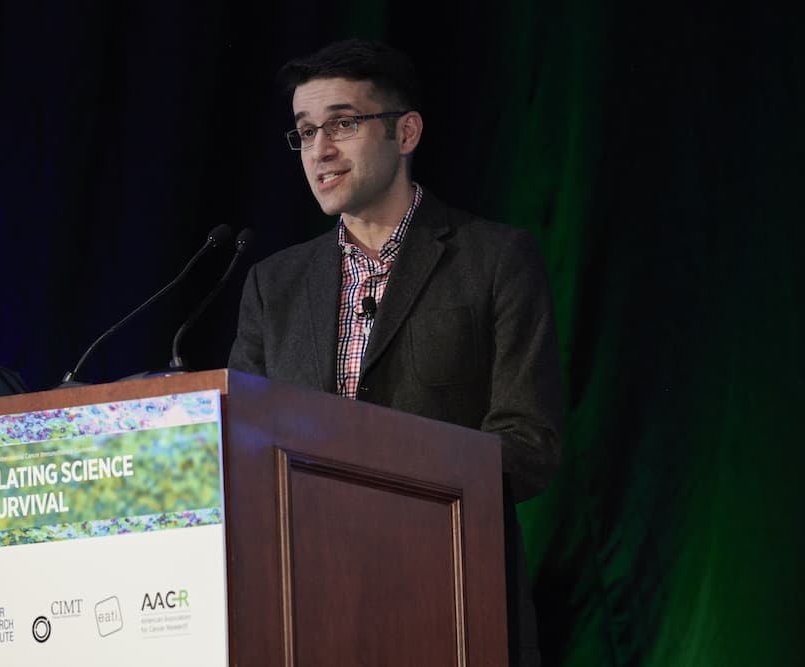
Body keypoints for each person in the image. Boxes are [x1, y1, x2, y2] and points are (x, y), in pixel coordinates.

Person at [228, 38, 562, 667]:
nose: (320, 150)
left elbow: (530, 441)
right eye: (304, 132)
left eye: (343, 124)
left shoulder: (493, 260)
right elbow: (242, 452)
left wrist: (390, 481)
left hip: (453, 598)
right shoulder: (274, 285)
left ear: (405, 132)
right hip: (304, 610)